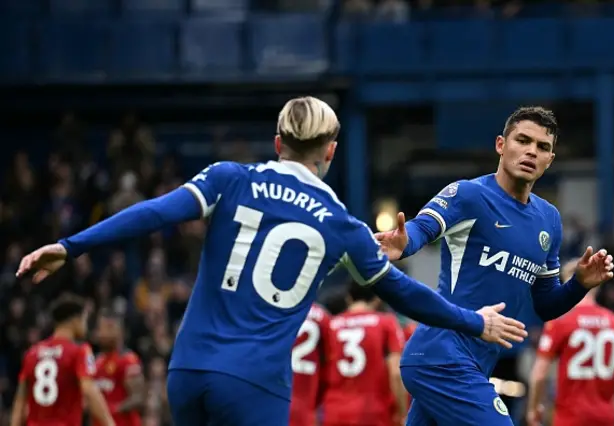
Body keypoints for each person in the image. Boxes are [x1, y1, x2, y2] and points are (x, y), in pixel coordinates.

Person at [16, 97, 527, 426]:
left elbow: (153, 213)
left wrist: (71, 245)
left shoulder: (227, 178)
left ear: (278, 143)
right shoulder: (341, 225)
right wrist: (472, 321)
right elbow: (403, 292)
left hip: (187, 373)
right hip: (254, 386)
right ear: (330, 151)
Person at [374, 106, 614, 426]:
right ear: (501, 144)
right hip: (442, 355)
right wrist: (405, 243)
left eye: (543, 147)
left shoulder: (549, 220)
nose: (531, 151)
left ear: (550, 160)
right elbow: (423, 227)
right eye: (523, 140)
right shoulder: (469, 194)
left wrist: (579, 284)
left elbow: (545, 305)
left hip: (476, 363)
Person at [527, 259, 614, 426]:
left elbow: (539, 374)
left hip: (569, 418)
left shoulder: (560, 322)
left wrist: (533, 409)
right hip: (605, 417)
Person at [10, 294, 115, 426]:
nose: (85, 326)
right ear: (74, 321)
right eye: (84, 319)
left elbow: (20, 400)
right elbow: (89, 390)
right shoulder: (79, 351)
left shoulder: (32, 353)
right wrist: (110, 423)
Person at [322, 282, 407, 426]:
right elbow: (396, 373)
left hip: (334, 412)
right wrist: (403, 412)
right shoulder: (386, 323)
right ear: (377, 299)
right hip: (373, 412)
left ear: (348, 298)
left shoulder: (331, 325)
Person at [93, 310, 145, 426]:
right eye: (100, 329)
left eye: (108, 328)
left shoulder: (128, 360)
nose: (102, 333)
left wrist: (111, 410)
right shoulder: (96, 362)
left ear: (119, 332)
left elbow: (138, 398)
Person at [289, 303, 331, 426]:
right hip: (305, 402)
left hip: (271, 396)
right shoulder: (323, 317)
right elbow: (329, 364)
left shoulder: (271, 307)